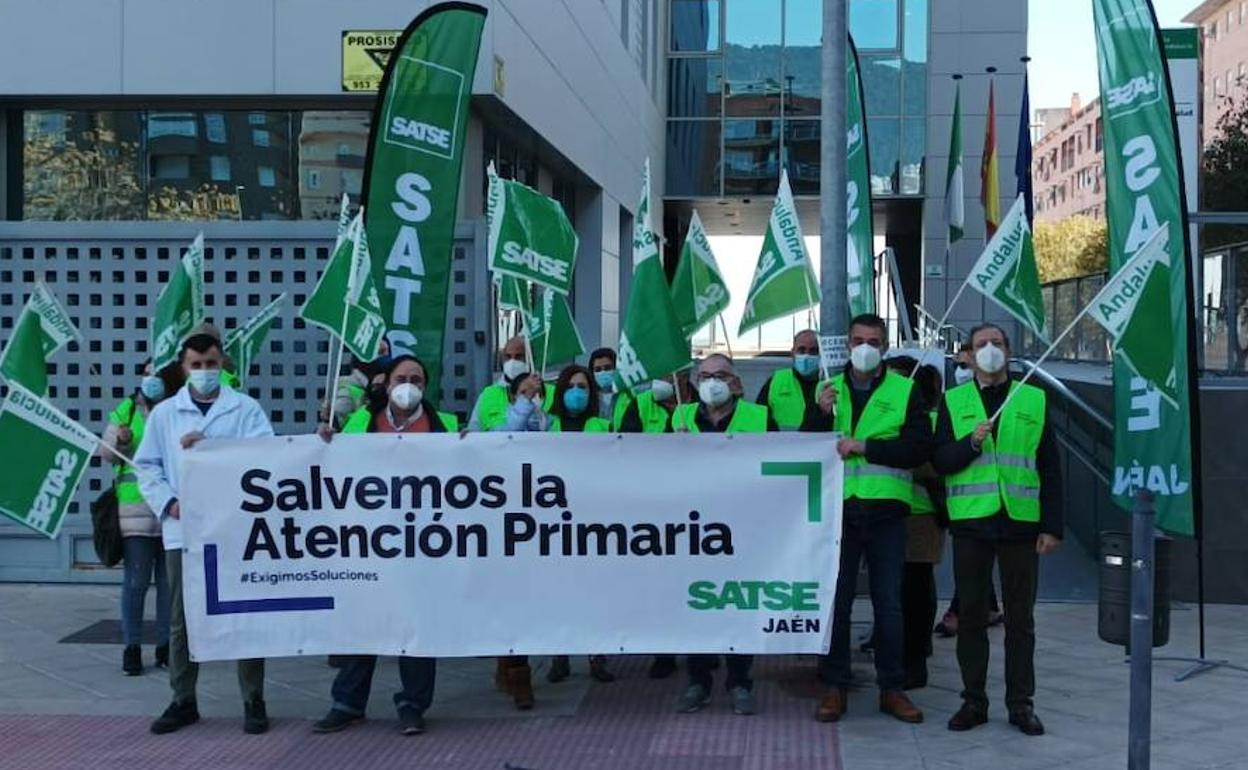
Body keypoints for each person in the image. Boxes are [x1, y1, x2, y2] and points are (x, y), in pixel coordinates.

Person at [134, 324, 275, 735]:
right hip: (184, 529)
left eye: (211, 363)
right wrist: (168, 503)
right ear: (183, 367)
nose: (204, 371)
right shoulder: (164, 414)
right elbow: (147, 467)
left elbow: (263, 458)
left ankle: (253, 699)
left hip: (235, 530)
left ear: (222, 364)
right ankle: (183, 699)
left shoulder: (245, 409)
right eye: (196, 365)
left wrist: (212, 447)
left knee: (244, 612)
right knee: (181, 618)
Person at [933, 323, 1063, 737]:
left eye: (997, 343)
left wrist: (1052, 526)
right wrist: (970, 443)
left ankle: (1021, 703)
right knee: (970, 616)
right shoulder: (953, 401)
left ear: (1008, 351)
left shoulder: (1033, 399)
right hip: (972, 522)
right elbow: (940, 461)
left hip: (1021, 524)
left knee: (1021, 620)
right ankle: (974, 701)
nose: (989, 350)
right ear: (968, 356)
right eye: (980, 345)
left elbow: (1050, 468)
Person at [312, 356, 451, 735]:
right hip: (369, 541)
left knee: (417, 626)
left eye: (417, 379)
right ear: (386, 384)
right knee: (362, 621)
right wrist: (326, 440)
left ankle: (412, 704)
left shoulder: (448, 426)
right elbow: (335, 469)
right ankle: (348, 702)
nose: (409, 385)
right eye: (401, 378)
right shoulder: (361, 422)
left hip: (425, 542)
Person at [812, 314, 931, 725]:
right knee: (837, 603)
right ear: (847, 344)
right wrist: (818, 416)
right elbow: (806, 448)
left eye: (874, 340)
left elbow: (918, 449)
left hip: (886, 512)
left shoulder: (906, 389)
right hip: (838, 514)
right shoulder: (828, 388)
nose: (865, 347)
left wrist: (865, 446)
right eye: (858, 340)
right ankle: (834, 686)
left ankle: (892, 688)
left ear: (884, 346)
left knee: (889, 604)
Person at [671, 353, 776, 717]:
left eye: (720, 375)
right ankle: (698, 681)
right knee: (697, 605)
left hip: (743, 527)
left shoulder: (759, 418)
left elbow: (777, 466)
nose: (712, 382)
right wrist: (673, 448)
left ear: (735, 382)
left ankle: (740, 682)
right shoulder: (680, 418)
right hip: (694, 529)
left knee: (736, 604)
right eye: (704, 375)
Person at [99, 359, 179, 676]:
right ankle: (131, 648)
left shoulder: (175, 409)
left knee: (167, 583)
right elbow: (104, 452)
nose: (152, 380)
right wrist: (118, 439)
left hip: (171, 510)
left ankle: (165, 647)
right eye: (147, 374)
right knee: (135, 582)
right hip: (134, 511)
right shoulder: (126, 410)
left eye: (158, 375)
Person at [542, 364, 617, 684]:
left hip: (593, 521)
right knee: (558, 593)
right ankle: (560, 655)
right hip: (553, 521)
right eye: (571, 386)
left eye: (583, 387)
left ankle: (596, 655)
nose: (577, 392)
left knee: (594, 593)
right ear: (560, 390)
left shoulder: (603, 425)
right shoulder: (546, 424)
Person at [883, 355, 946, 690]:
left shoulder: (932, 419)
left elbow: (933, 463)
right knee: (895, 589)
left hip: (921, 515)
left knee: (916, 591)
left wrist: (897, 452)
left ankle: (916, 659)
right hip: (890, 510)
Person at [755, 329, 834, 431]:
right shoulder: (776, 381)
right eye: (801, 350)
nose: (806, 355)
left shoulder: (829, 383)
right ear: (792, 353)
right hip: (783, 445)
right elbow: (760, 420)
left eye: (813, 351)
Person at [468, 336, 551, 431]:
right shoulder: (488, 394)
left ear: (531, 358)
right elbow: (474, 429)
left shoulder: (550, 393)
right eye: (508, 357)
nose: (512, 361)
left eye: (518, 356)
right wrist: (468, 434)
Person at [327, 338, 391, 429]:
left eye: (388, 352)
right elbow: (336, 422)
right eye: (380, 353)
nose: (386, 357)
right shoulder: (348, 389)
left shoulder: (388, 385)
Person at [616, 371, 693, 435]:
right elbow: (626, 443)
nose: (658, 380)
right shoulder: (640, 403)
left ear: (684, 377)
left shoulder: (700, 405)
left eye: (666, 374)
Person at [587, 347, 629, 428]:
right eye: (598, 370)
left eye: (607, 368)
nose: (603, 372)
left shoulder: (628, 396)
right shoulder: (588, 398)